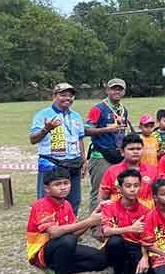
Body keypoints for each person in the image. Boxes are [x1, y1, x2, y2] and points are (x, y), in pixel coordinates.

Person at [25, 167, 107, 274]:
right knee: (68, 240)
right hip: (41, 252)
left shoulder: (66, 204)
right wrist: (88, 221)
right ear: (47, 188)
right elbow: (55, 233)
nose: (63, 187)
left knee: (102, 260)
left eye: (66, 183)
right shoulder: (41, 205)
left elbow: (75, 233)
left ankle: (54, 271)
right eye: (57, 184)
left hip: (62, 247)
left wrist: (92, 220)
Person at [30, 82, 87, 214]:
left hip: (74, 164)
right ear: (54, 96)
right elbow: (33, 139)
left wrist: (84, 161)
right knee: (48, 201)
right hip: (51, 163)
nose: (68, 98)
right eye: (63, 95)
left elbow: (80, 139)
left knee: (74, 200)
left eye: (71, 96)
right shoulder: (43, 114)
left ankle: (70, 231)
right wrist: (46, 129)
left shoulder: (76, 116)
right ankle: (47, 231)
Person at [84, 78, 131, 213]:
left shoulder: (123, 110)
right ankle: (96, 227)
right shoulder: (98, 108)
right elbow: (86, 130)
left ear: (124, 92)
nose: (117, 91)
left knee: (118, 190)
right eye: (114, 88)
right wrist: (107, 130)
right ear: (107, 90)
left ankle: (114, 221)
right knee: (99, 192)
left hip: (118, 155)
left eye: (120, 89)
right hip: (101, 155)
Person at [100, 168, 150, 274]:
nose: (132, 189)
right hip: (118, 246)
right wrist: (130, 228)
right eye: (128, 186)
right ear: (119, 188)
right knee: (115, 241)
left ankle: (130, 269)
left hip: (136, 247)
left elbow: (148, 238)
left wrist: (145, 257)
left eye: (136, 185)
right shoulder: (109, 207)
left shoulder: (146, 211)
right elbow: (106, 231)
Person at [98, 133, 157, 207]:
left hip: (146, 214)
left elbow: (158, 196)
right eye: (131, 149)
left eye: (138, 149)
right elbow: (103, 197)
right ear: (122, 152)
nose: (135, 152)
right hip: (119, 215)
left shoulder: (153, 171)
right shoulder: (112, 171)